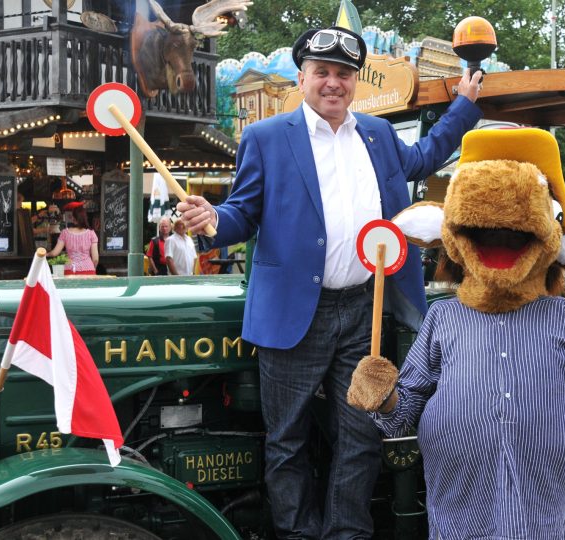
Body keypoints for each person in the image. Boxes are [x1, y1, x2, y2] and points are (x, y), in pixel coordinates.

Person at [176, 25, 482, 538]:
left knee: (361, 434)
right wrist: (210, 218)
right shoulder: (265, 137)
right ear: (303, 78)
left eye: (344, 74)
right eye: (323, 72)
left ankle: (347, 533)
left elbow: (426, 157)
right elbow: (240, 214)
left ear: (356, 82)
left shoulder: (379, 135)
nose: (333, 83)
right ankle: (297, 534)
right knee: (287, 439)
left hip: (366, 308)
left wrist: (466, 106)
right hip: (296, 314)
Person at [47, 201, 99, 276]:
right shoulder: (91, 234)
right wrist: (93, 268)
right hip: (88, 270)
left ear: (74, 218)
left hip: (69, 269)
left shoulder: (65, 233)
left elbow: (55, 253)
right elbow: (95, 259)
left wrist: (46, 254)